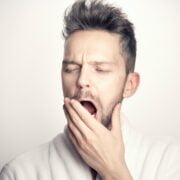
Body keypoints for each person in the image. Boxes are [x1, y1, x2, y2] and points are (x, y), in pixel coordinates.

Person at [0, 0, 180, 179]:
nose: (82, 80)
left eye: (100, 69)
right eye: (71, 69)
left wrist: (113, 169)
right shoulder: (20, 172)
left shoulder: (171, 160)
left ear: (129, 85)